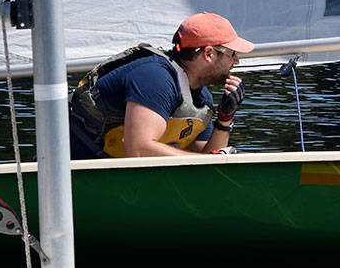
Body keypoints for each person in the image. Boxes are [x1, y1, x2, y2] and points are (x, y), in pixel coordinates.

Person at [69, 12, 254, 159]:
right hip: (74, 173)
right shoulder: (155, 78)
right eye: (232, 53)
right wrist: (207, 161)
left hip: (120, 180)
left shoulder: (202, 97)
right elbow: (139, 150)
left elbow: (207, 158)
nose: (236, 61)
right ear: (209, 54)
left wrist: (225, 118)